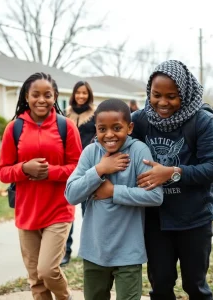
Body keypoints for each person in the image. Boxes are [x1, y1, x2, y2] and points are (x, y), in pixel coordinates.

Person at [131, 60, 213, 300]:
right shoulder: (140, 121)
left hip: (195, 218)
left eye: (172, 96)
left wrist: (172, 172)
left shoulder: (202, 121)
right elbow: (108, 134)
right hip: (156, 220)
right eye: (156, 95)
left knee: (195, 286)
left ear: (184, 93)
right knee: (160, 286)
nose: (162, 103)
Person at [65, 99, 163, 300]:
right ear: (96, 129)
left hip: (128, 252)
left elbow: (155, 195)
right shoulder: (91, 153)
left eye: (117, 128)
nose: (109, 134)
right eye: (102, 129)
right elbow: (71, 194)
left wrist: (113, 192)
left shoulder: (139, 151)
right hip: (94, 251)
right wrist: (100, 169)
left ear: (130, 127)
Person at [0, 72, 82, 300]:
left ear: (55, 97)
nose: (41, 100)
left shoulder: (67, 127)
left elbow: (78, 167)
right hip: (27, 213)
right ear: (27, 96)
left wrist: (48, 173)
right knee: (35, 279)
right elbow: (2, 171)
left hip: (58, 210)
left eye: (48, 95)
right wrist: (24, 169)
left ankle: (66, 298)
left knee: (48, 270)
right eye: (36, 94)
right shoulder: (14, 128)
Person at [62, 81, 96, 266]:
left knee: (87, 210)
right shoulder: (65, 114)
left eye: (84, 93)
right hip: (68, 167)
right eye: (78, 93)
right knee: (67, 210)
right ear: (73, 94)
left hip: (88, 166)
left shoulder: (95, 114)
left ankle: (88, 250)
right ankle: (65, 250)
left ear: (89, 95)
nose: (81, 96)